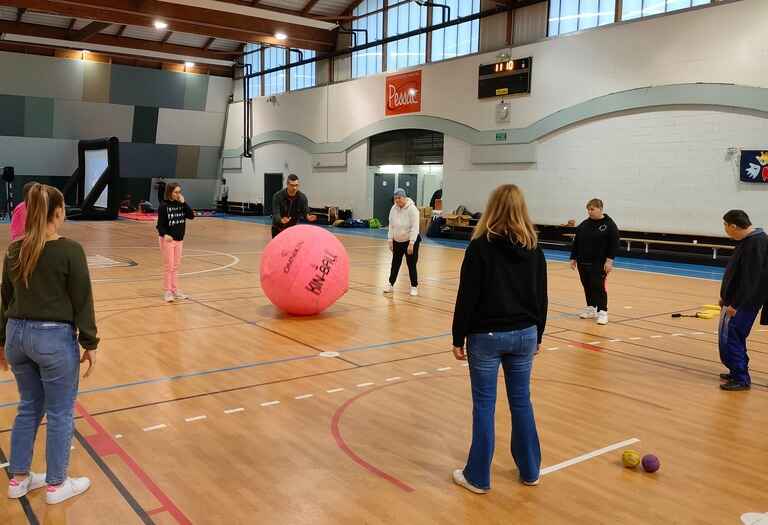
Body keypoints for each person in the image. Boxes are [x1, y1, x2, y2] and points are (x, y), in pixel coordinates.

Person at [0, 183, 98, 505]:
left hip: (16, 337)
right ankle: (56, 485)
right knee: (59, 413)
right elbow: (82, 299)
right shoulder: (70, 250)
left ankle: (18, 478)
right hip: (52, 340)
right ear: (58, 212)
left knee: (28, 407)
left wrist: (2, 343)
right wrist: (90, 342)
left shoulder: (15, 250)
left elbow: (5, 300)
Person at [451, 184, 548, 494]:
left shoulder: (480, 247)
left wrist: (458, 336)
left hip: (486, 337)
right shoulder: (535, 248)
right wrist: (538, 335)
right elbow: (541, 298)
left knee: (484, 405)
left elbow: (467, 296)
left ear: (492, 208)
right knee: (522, 402)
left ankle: (478, 477)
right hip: (524, 335)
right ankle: (530, 470)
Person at [718, 209, 768, 391]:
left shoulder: (756, 243)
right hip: (738, 301)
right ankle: (736, 370)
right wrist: (725, 297)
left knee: (734, 336)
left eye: (725, 225)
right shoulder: (747, 241)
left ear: (733, 226)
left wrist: (736, 304)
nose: (725, 229)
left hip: (746, 302)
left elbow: (750, 279)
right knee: (733, 336)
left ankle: (741, 378)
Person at [569, 198, 620, 325]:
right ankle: (591, 308)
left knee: (598, 286)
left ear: (600, 209)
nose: (590, 212)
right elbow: (577, 241)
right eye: (588, 209)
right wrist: (573, 257)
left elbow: (614, 244)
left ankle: (603, 311)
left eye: (592, 209)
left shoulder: (609, 225)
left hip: (599, 263)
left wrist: (609, 261)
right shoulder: (584, 224)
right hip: (583, 261)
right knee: (587, 285)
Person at [156, 183, 195, 303]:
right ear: (170, 192)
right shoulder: (164, 206)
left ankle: (175, 289)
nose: (178, 194)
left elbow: (191, 216)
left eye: (179, 192)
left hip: (179, 240)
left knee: (176, 266)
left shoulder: (181, 204)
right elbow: (159, 226)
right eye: (176, 192)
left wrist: (184, 203)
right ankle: (167, 291)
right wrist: (165, 234)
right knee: (169, 266)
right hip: (168, 240)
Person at [385, 188, 421, 297]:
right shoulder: (393, 209)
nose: (397, 200)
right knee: (395, 264)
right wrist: (390, 240)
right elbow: (391, 225)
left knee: (411, 264)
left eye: (399, 198)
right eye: (395, 198)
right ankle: (390, 284)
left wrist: (412, 243)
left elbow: (415, 227)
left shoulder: (412, 209)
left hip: (410, 241)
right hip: (397, 241)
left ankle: (414, 286)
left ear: (404, 197)